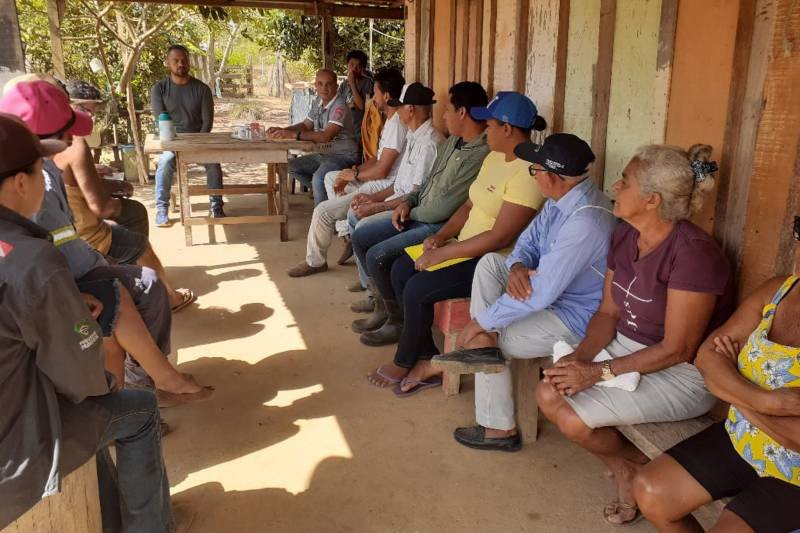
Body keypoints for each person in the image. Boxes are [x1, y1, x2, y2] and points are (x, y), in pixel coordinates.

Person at [0, 112, 187, 532]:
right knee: (133, 409)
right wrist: (105, 381)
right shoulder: (35, 259)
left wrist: (65, 303)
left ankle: (110, 516)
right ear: (20, 183)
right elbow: (80, 380)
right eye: (41, 170)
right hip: (14, 458)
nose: (47, 179)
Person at [535, 144, 734, 525]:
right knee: (548, 391)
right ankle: (626, 466)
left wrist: (596, 372)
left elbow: (678, 348)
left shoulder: (694, 255)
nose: (615, 186)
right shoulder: (626, 236)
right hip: (626, 347)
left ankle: (629, 471)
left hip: (682, 373)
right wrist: (580, 357)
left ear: (652, 200)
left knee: (573, 419)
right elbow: (608, 312)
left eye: (625, 181)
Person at [0, 80, 211, 402]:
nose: (72, 139)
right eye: (67, 132)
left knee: (137, 288)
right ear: (20, 181)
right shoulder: (37, 193)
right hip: (68, 278)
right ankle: (139, 394)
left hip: (71, 268)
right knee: (120, 305)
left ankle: (144, 383)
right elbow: (54, 258)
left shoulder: (42, 177)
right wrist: (76, 291)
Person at [430, 133, 617, 450]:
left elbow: (542, 294)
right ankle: (485, 341)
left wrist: (480, 323)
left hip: (572, 318)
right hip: (545, 291)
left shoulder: (585, 222)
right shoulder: (561, 198)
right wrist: (517, 266)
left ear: (553, 177)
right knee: (491, 263)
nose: (533, 176)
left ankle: (498, 429)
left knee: (491, 341)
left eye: (535, 170)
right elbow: (527, 242)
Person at [364, 92, 546, 392]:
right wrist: (441, 236)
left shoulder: (528, 171)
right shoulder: (494, 157)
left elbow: (500, 237)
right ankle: (424, 353)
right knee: (400, 269)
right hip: (464, 246)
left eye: (489, 124)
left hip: (493, 261)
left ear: (507, 129)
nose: (485, 130)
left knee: (418, 287)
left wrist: (445, 253)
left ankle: (405, 360)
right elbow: (468, 205)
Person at [631, 217, 800, 533]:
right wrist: (769, 403)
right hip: (741, 435)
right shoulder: (778, 290)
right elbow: (708, 356)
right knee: (650, 490)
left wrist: (733, 388)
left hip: (795, 476)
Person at [350, 81, 490, 345]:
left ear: (462, 113)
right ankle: (383, 306)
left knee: (379, 256)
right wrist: (407, 203)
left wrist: (409, 210)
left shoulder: (481, 152)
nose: (443, 116)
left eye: (448, 110)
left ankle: (397, 321)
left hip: (436, 224)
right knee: (362, 235)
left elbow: (444, 207)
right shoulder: (453, 142)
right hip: (417, 212)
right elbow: (426, 183)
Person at [38, 79, 193, 312]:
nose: (90, 118)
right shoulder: (76, 144)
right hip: (82, 239)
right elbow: (100, 207)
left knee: (123, 221)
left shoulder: (34, 147)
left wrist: (101, 178)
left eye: (92, 112)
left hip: (64, 236)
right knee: (139, 238)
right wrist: (116, 204)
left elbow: (71, 184)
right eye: (85, 111)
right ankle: (169, 298)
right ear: (66, 107)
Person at [286, 68, 406, 278]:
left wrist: (355, 176)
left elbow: (382, 170)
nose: (372, 97)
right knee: (332, 177)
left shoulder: (396, 124)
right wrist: (353, 171)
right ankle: (346, 233)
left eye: (375, 92)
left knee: (322, 210)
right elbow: (377, 160)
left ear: (386, 96)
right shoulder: (391, 119)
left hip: (385, 185)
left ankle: (315, 262)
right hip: (378, 177)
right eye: (319, 84)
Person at [345, 83, 445, 301]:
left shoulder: (430, 143)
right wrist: (371, 198)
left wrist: (376, 207)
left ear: (411, 109)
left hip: (410, 212)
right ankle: (371, 288)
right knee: (355, 214)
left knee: (362, 229)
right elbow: (398, 185)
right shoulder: (413, 136)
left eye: (399, 107)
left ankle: (377, 297)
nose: (396, 111)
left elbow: (414, 196)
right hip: (398, 202)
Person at [152, 44, 225, 226]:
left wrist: (196, 145)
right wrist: (177, 145)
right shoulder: (159, 89)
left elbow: (207, 122)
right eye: (176, 60)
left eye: (184, 60)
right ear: (167, 63)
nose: (181, 64)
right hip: (172, 142)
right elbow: (161, 119)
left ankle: (216, 206)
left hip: (199, 141)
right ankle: (162, 209)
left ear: (189, 62)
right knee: (165, 163)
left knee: (213, 164)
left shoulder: (202, 89)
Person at [269, 69, 360, 206]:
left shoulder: (339, 106)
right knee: (290, 167)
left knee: (318, 178)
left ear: (336, 86)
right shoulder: (318, 101)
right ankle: (324, 194)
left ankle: (322, 214)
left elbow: (326, 137)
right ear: (315, 85)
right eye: (320, 84)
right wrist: (282, 130)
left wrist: (294, 135)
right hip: (324, 154)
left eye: (329, 84)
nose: (324, 88)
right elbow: (306, 125)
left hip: (343, 156)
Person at [337, 49, 373, 140]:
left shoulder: (368, 82)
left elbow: (362, 106)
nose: (354, 69)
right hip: (344, 132)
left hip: (361, 132)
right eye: (351, 65)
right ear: (347, 65)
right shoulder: (344, 85)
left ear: (363, 68)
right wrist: (350, 105)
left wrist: (352, 83)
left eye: (358, 66)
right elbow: (338, 106)